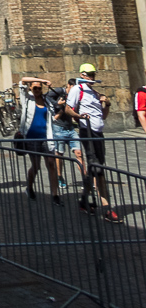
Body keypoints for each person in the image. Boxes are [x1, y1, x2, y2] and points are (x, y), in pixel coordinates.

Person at [66, 64, 119, 222]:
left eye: (93, 74)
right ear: (82, 74)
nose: (92, 77)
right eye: (89, 74)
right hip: (86, 131)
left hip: (98, 133)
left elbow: (103, 116)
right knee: (98, 168)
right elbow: (68, 109)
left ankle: (84, 200)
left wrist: (107, 103)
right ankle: (107, 208)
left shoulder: (95, 92)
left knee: (94, 167)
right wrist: (80, 116)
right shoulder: (78, 89)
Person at [18, 77, 61, 204]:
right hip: (32, 138)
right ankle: (29, 187)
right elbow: (23, 80)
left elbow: (51, 118)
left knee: (51, 165)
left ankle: (55, 195)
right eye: (35, 87)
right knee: (36, 167)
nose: (37, 90)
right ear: (31, 88)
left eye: (39, 88)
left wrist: (61, 111)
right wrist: (42, 80)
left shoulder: (46, 101)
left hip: (46, 138)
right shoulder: (27, 99)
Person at [48, 78, 85, 188]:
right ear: (68, 86)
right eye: (72, 89)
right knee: (59, 155)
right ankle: (59, 177)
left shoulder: (75, 95)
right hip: (58, 128)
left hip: (70, 128)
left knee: (79, 153)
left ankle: (85, 178)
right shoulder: (59, 91)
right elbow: (47, 98)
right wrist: (57, 104)